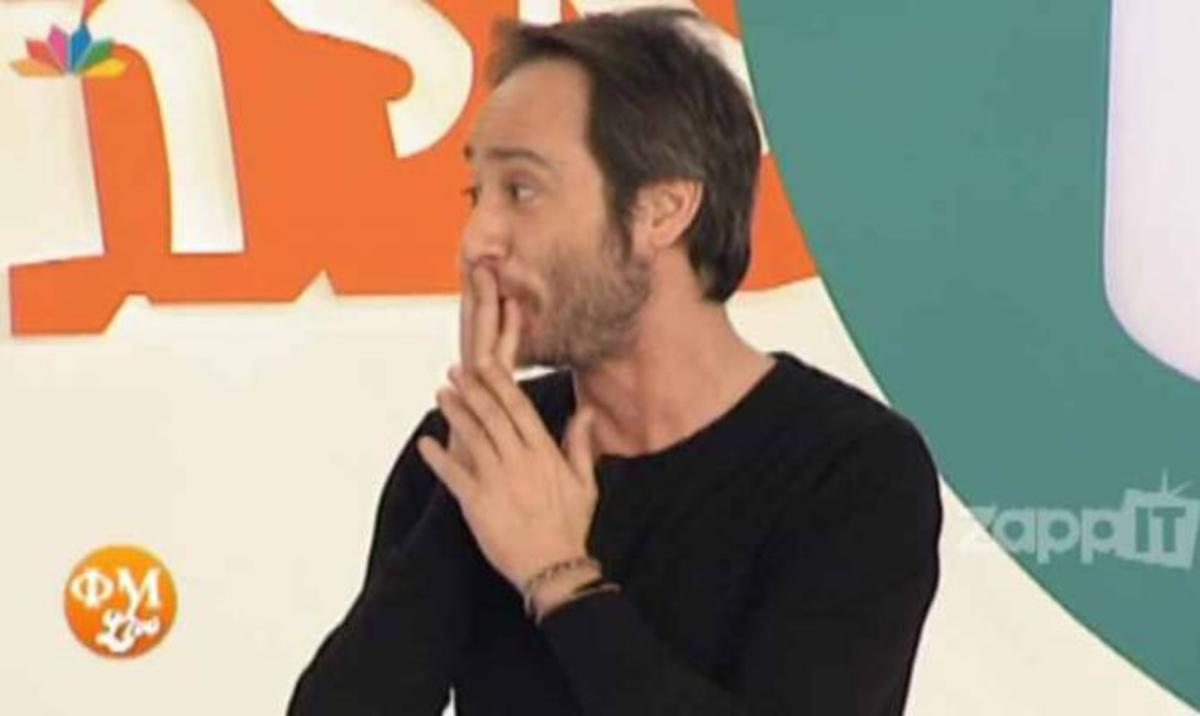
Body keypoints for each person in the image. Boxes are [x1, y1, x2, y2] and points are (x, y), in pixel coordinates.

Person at [288, 9, 941, 715]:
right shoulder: (460, 453)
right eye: (477, 194)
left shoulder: (851, 469)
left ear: (663, 210)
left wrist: (560, 580)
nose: (477, 240)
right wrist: (478, 475)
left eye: (522, 190)